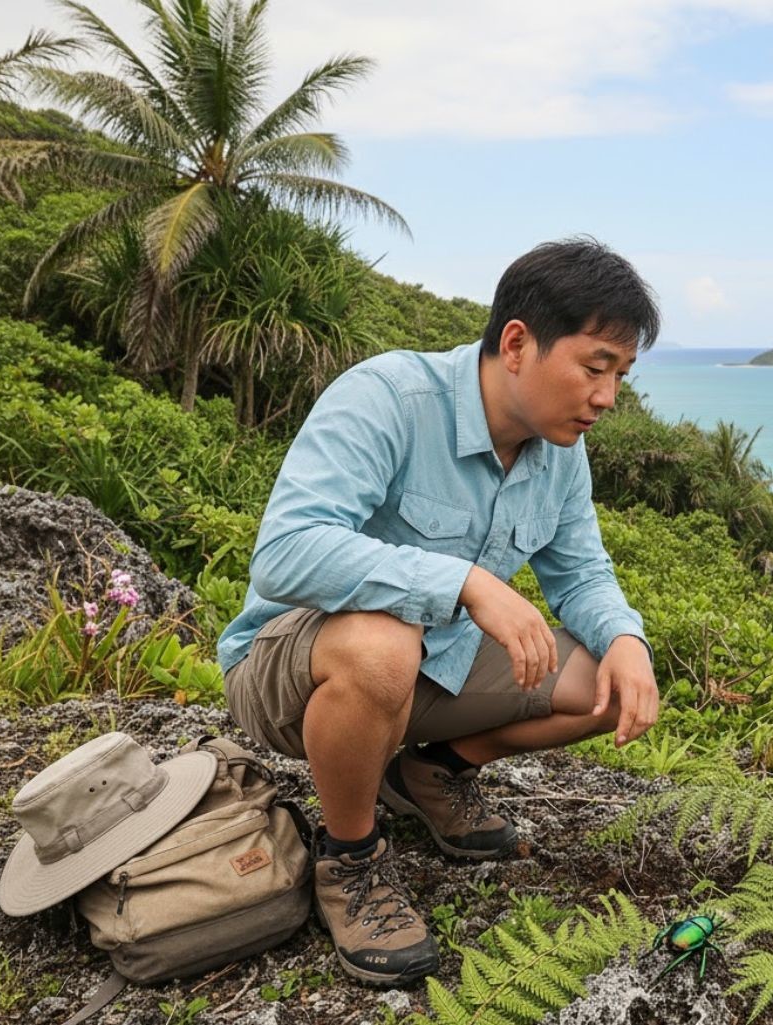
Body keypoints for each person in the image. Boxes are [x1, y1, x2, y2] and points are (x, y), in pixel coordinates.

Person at [217, 237, 661, 988]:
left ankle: (430, 774)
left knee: (604, 680)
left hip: (434, 665)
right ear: (517, 342)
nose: (608, 397)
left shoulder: (559, 454)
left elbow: (582, 571)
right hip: (294, 667)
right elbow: (285, 553)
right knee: (384, 645)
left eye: (621, 374)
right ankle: (351, 857)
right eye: (595, 367)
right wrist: (464, 582)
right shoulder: (391, 397)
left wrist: (625, 636)